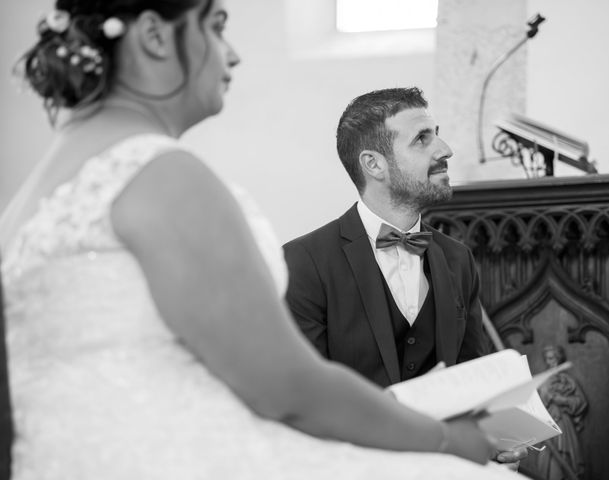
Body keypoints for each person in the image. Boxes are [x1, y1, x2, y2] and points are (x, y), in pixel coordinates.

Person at [0, 1, 524, 478]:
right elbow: (288, 388)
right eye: (215, 25)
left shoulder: (35, 195)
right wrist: (444, 441)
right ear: (155, 36)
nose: (231, 55)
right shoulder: (162, 176)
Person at [284, 88, 489, 388]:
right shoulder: (303, 263)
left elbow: (474, 381)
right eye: (422, 139)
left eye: (436, 134)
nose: (445, 150)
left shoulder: (458, 259)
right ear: (374, 164)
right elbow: (307, 394)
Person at [535, 346, 588, 480]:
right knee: (547, 459)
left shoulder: (568, 381)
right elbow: (535, 405)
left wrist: (561, 400)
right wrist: (545, 396)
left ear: (559, 358)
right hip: (547, 423)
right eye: (547, 359)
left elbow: (580, 402)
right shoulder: (543, 382)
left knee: (566, 457)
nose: (549, 362)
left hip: (564, 423)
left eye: (552, 358)